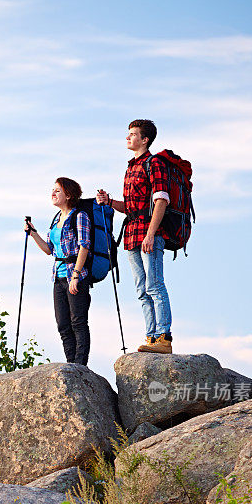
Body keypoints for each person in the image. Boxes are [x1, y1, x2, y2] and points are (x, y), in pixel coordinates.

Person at [97, 119, 173, 354]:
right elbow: (131, 207)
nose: (128, 138)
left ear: (145, 139)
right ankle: (151, 338)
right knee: (142, 290)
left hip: (149, 234)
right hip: (131, 235)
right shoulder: (131, 167)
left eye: (132, 134)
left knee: (155, 285)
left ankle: (164, 337)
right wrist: (110, 202)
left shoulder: (154, 163)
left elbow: (161, 199)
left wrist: (151, 234)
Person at [25, 177, 92, 365]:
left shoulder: (80, 216)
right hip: (58, 277)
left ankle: (80, 365)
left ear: (69, 195)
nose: (53, 193)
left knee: (78, 322)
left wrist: (76, 276)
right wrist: (33, 233)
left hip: (75, 275)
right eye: (52, 190)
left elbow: (84, 246)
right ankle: (71, 363)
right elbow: (49, 250)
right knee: (63, 325)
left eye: (58, 191)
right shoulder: (56, 220)